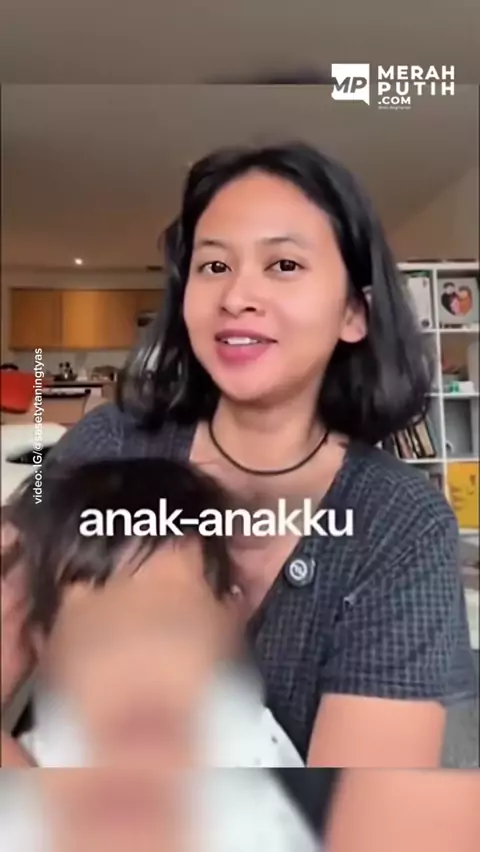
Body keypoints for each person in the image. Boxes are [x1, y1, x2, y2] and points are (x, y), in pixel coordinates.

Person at [2, 141, 476, 768]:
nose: (235, 296)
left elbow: (363, 809)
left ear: (354, 313)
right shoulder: (108, 444)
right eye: (214, 265)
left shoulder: (401, 524)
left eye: (284, 264)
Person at [2, 457, 302, 770]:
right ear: (45, 648)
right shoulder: (52, 743)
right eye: (98, 639)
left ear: (230, 621)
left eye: (170, 629)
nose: (139, 670)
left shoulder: (248, 744)